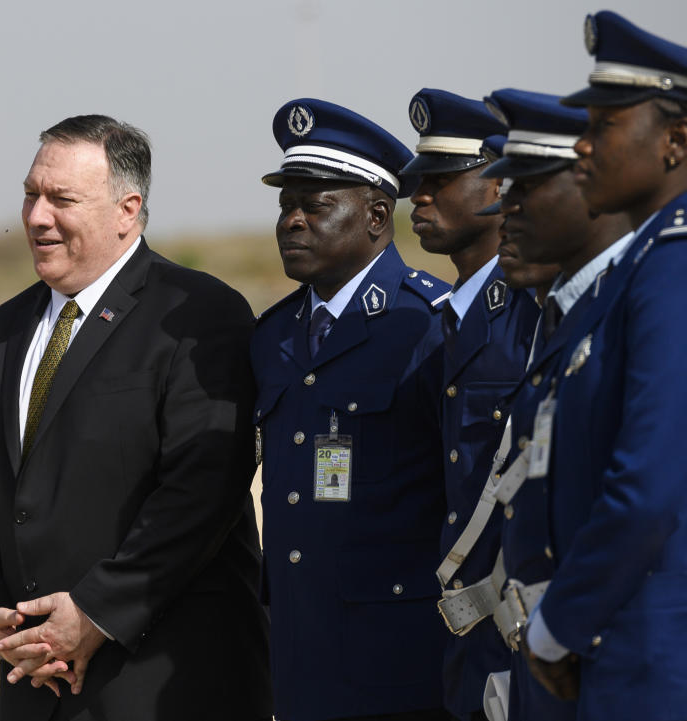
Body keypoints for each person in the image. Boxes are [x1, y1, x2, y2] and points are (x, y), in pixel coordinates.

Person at [0, 115, 271, 721]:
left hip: (170, 689)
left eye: (61, 199)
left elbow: (202, 492)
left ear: (127, 209)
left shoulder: (198, 315)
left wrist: (93, 614)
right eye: (31, 194)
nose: (36, 217)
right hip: (35, 688)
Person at [516, 11, 687, 720]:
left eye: (604, 126)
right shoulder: (645, 266)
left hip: (684, 666)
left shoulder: (686, 267)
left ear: (676, 142)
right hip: (650, 658)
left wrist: (555, 628)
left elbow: (646, 488)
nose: (581, 146)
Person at [253, 98, 451, 721]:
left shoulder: (427, 325)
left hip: (398, 661)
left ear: (375, 216)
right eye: (286, 206)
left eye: (316, 206)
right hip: (296, 653)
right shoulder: (273, 335)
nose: (292, 221)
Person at [399, 88, 555, 721]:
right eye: (416, 181)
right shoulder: (447, 319)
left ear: (497, 188)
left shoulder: (534, 313)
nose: (419, 195)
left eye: (440, 180)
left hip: (525, 619)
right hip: (469, 625)